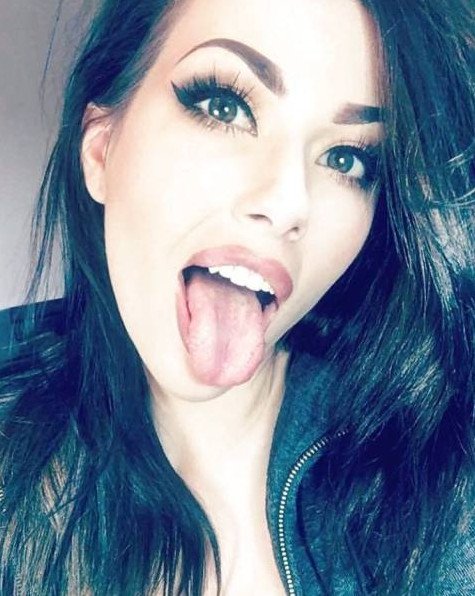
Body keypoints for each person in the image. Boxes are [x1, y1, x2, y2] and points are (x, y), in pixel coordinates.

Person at [0, 0, 473, 593]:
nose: (288, 203)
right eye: (225, 106)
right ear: (101, 147)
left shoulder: (440, 468)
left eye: (346, 159)